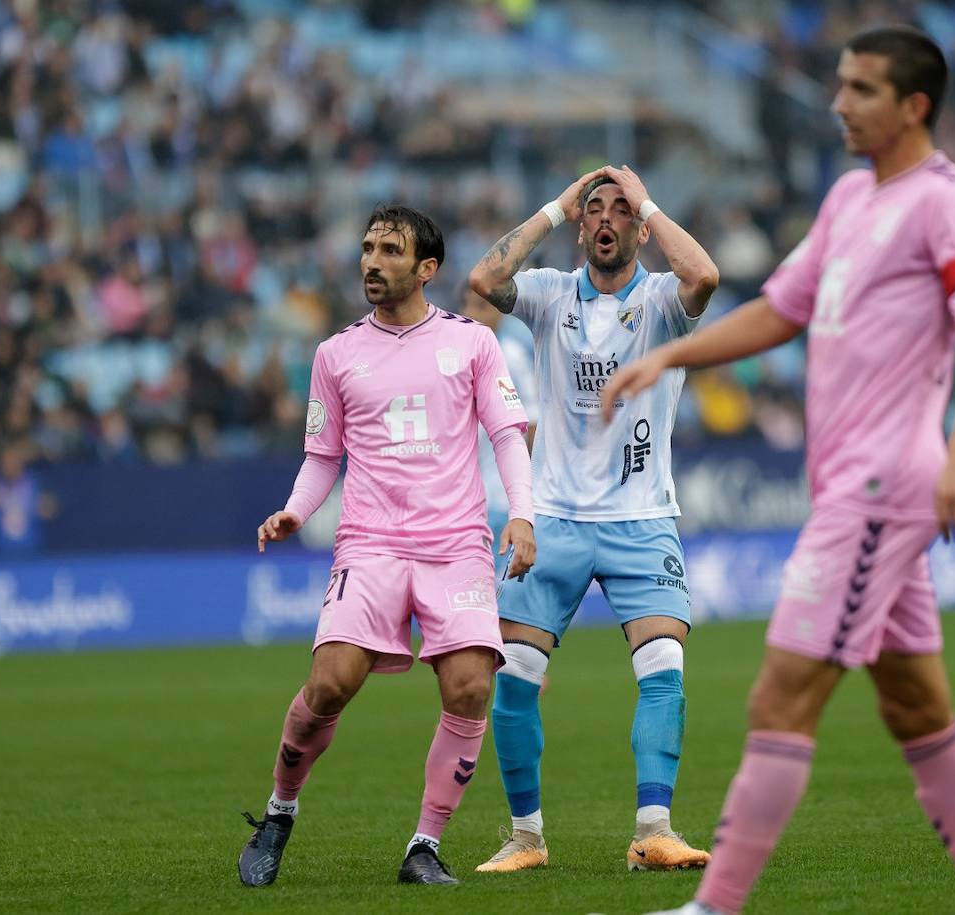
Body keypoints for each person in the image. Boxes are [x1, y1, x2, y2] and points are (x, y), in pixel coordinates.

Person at [603, 26, 955, 915]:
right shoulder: (848, 199)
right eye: (839, 85)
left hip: (884, 485)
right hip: (858, 487)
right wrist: (666, 358)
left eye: (861, 90)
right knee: (917, 708)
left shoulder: (951, 205)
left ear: (914, 106)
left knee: (779, 695)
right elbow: (779, 310)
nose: (838, 102)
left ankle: (712, 906)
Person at [237, 204, 537, 888]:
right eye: (368, 248)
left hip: (455, 544)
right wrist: (293, 509)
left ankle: (424, 845)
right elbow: (322, 457)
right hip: (370, 544)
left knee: (470, 686)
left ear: (426, 268)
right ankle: (280, 811)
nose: (372, 261)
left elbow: (507, 435)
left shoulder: (471, 343)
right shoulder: (335, 353)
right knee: (330, 682)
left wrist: (522, 514)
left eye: (390, 250)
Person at [466, 164, 719, 873]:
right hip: (553, 518)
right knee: (514, 672)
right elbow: (485, 281)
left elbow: (706, 276)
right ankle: (526, 837)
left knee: (664, 665)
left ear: (639, 227)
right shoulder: (550, 295)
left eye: (620, 211)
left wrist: (648, 201)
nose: (606, 219)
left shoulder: (665, 300)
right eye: (595, 210)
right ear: (583, 225)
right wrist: (554, 205)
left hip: (643, 517)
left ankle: (654, 830)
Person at [461, 284, 540, 577]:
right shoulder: (459, 358)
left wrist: (529, 491)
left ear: (501, 314)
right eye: (467, 305)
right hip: (466, 496)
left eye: (480, 307)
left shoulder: (512, 357)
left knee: (495, 589)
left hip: (500, 497)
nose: (471, 314)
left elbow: (533, 422)